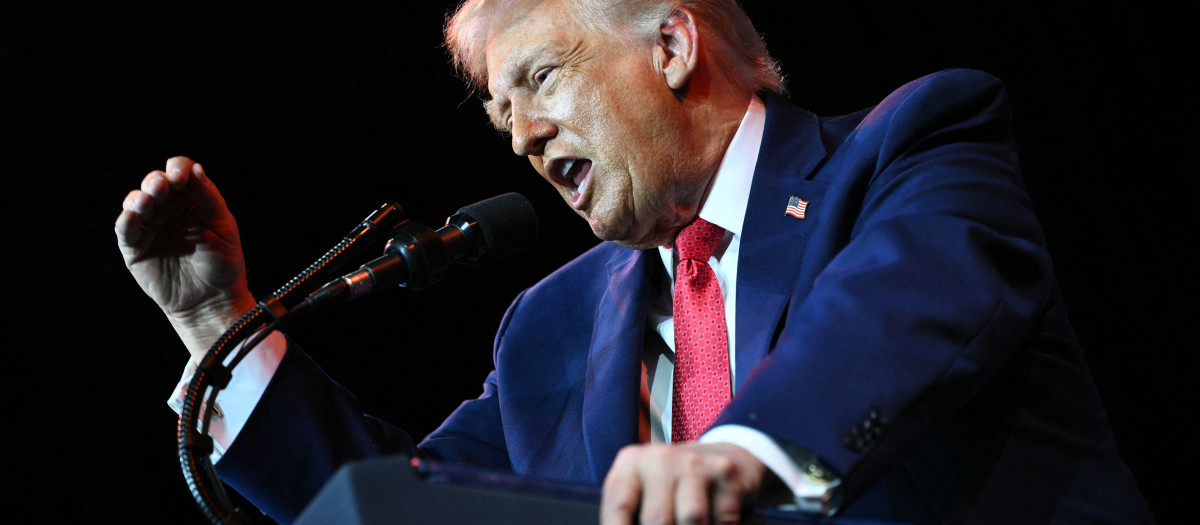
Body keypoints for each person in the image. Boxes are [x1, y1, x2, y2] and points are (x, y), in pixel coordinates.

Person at [116, 1, 1154, 523]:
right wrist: (220, 325)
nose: (518, 135)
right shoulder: (551, 327)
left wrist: (741, 451)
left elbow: (903, 314)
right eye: (495, 109)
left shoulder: (911, 148)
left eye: (541, 79)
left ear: (670, 46)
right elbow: (401, 502)